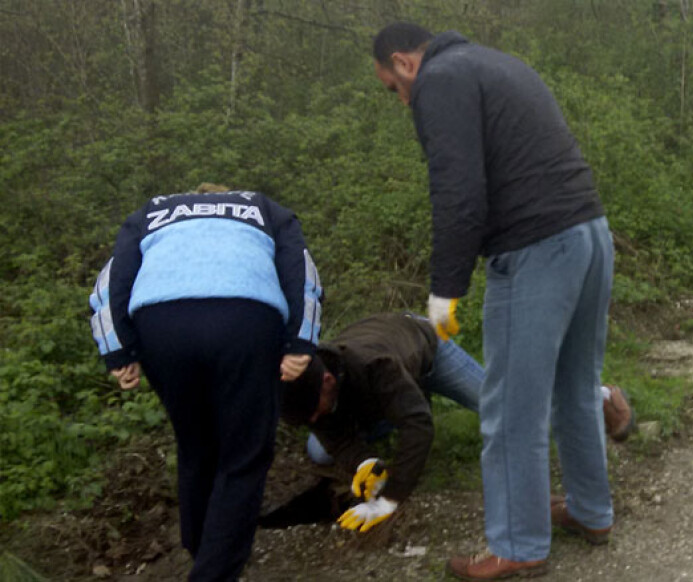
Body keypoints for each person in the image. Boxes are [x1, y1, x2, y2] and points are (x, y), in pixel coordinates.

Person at [371, 22, 617, 579]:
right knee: (577, 384)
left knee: (511, 409)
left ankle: (519, 545)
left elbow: (457, 189)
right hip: (590, 234)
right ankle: (591, 511)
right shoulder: (499, 63)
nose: (401, 98)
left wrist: (445, 289)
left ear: (404, 63)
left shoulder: (438, 81)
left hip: (535, 249)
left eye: (393, 87)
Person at [89, 184, 322, 582]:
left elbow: (112, 279)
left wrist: (118, 350)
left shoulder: (154, 210)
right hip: (246, 316)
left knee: (195, 445)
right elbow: (301, 271)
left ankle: (202, 550)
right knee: (244, 456)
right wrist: (301, 341)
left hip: (161, 323)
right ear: (229, 195)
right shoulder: (264, 208)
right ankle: (212, 572)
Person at [277, 313, 635, 534]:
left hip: (428, 348)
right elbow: (335, 439)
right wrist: (365, 463)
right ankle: (409, 398)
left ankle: (598, 397)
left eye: (314, 410)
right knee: (319, 450)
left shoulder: (374, 366)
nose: (313, 418)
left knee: (505, 410)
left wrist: (390, 498)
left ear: (327, 383)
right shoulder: (304, 384)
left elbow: (419, 426)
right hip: (393, 378)